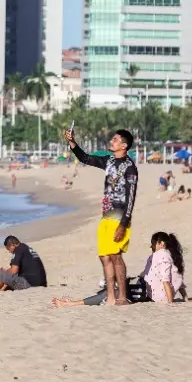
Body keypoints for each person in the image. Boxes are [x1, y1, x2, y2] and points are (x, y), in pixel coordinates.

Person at [64, 126, 138, 306]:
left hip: (119, 217)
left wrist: (123, 224)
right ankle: (111, 297)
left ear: (124, 145)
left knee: (115, 256)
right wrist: (72, 142)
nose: (111, 141)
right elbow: (85, 158)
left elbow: (131, 197)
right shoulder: (110, 161)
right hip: (106, 216)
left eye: (115, 140)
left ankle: (122, 297)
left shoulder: (130, 168)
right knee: (104, 257)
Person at [141, 232, 187, 303]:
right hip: (160, 297)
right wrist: (185, 298)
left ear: (161, 244)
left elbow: (166, 279)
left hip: (153, 295)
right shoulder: (168, 255)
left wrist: (170, 301)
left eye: (153, 244)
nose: (152, 248)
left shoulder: (161, 255)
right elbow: (175, 277)